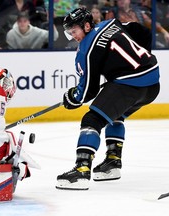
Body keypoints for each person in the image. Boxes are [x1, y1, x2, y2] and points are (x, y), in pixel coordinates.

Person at [56, 8, 160, 190]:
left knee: (91, 120)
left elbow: (88, 90)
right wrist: (139, 62)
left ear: (87, 26)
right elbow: (141, 31)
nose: (73, 36)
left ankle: (81, 169)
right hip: (152, 83)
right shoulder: (111, 23)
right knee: (114, 115)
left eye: (75, 31)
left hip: (130, 85)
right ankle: (112, 163)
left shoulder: (85, 51)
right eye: (70, 33)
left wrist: (72, 97)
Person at [105, 0, 169, 48]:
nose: (121, 1)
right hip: (122, 43)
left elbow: (151, 23)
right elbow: (107, 28)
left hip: (139, 41)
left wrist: (164, 32)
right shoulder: (112, 13)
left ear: (129, 0)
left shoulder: (137, 12)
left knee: (159, 45)